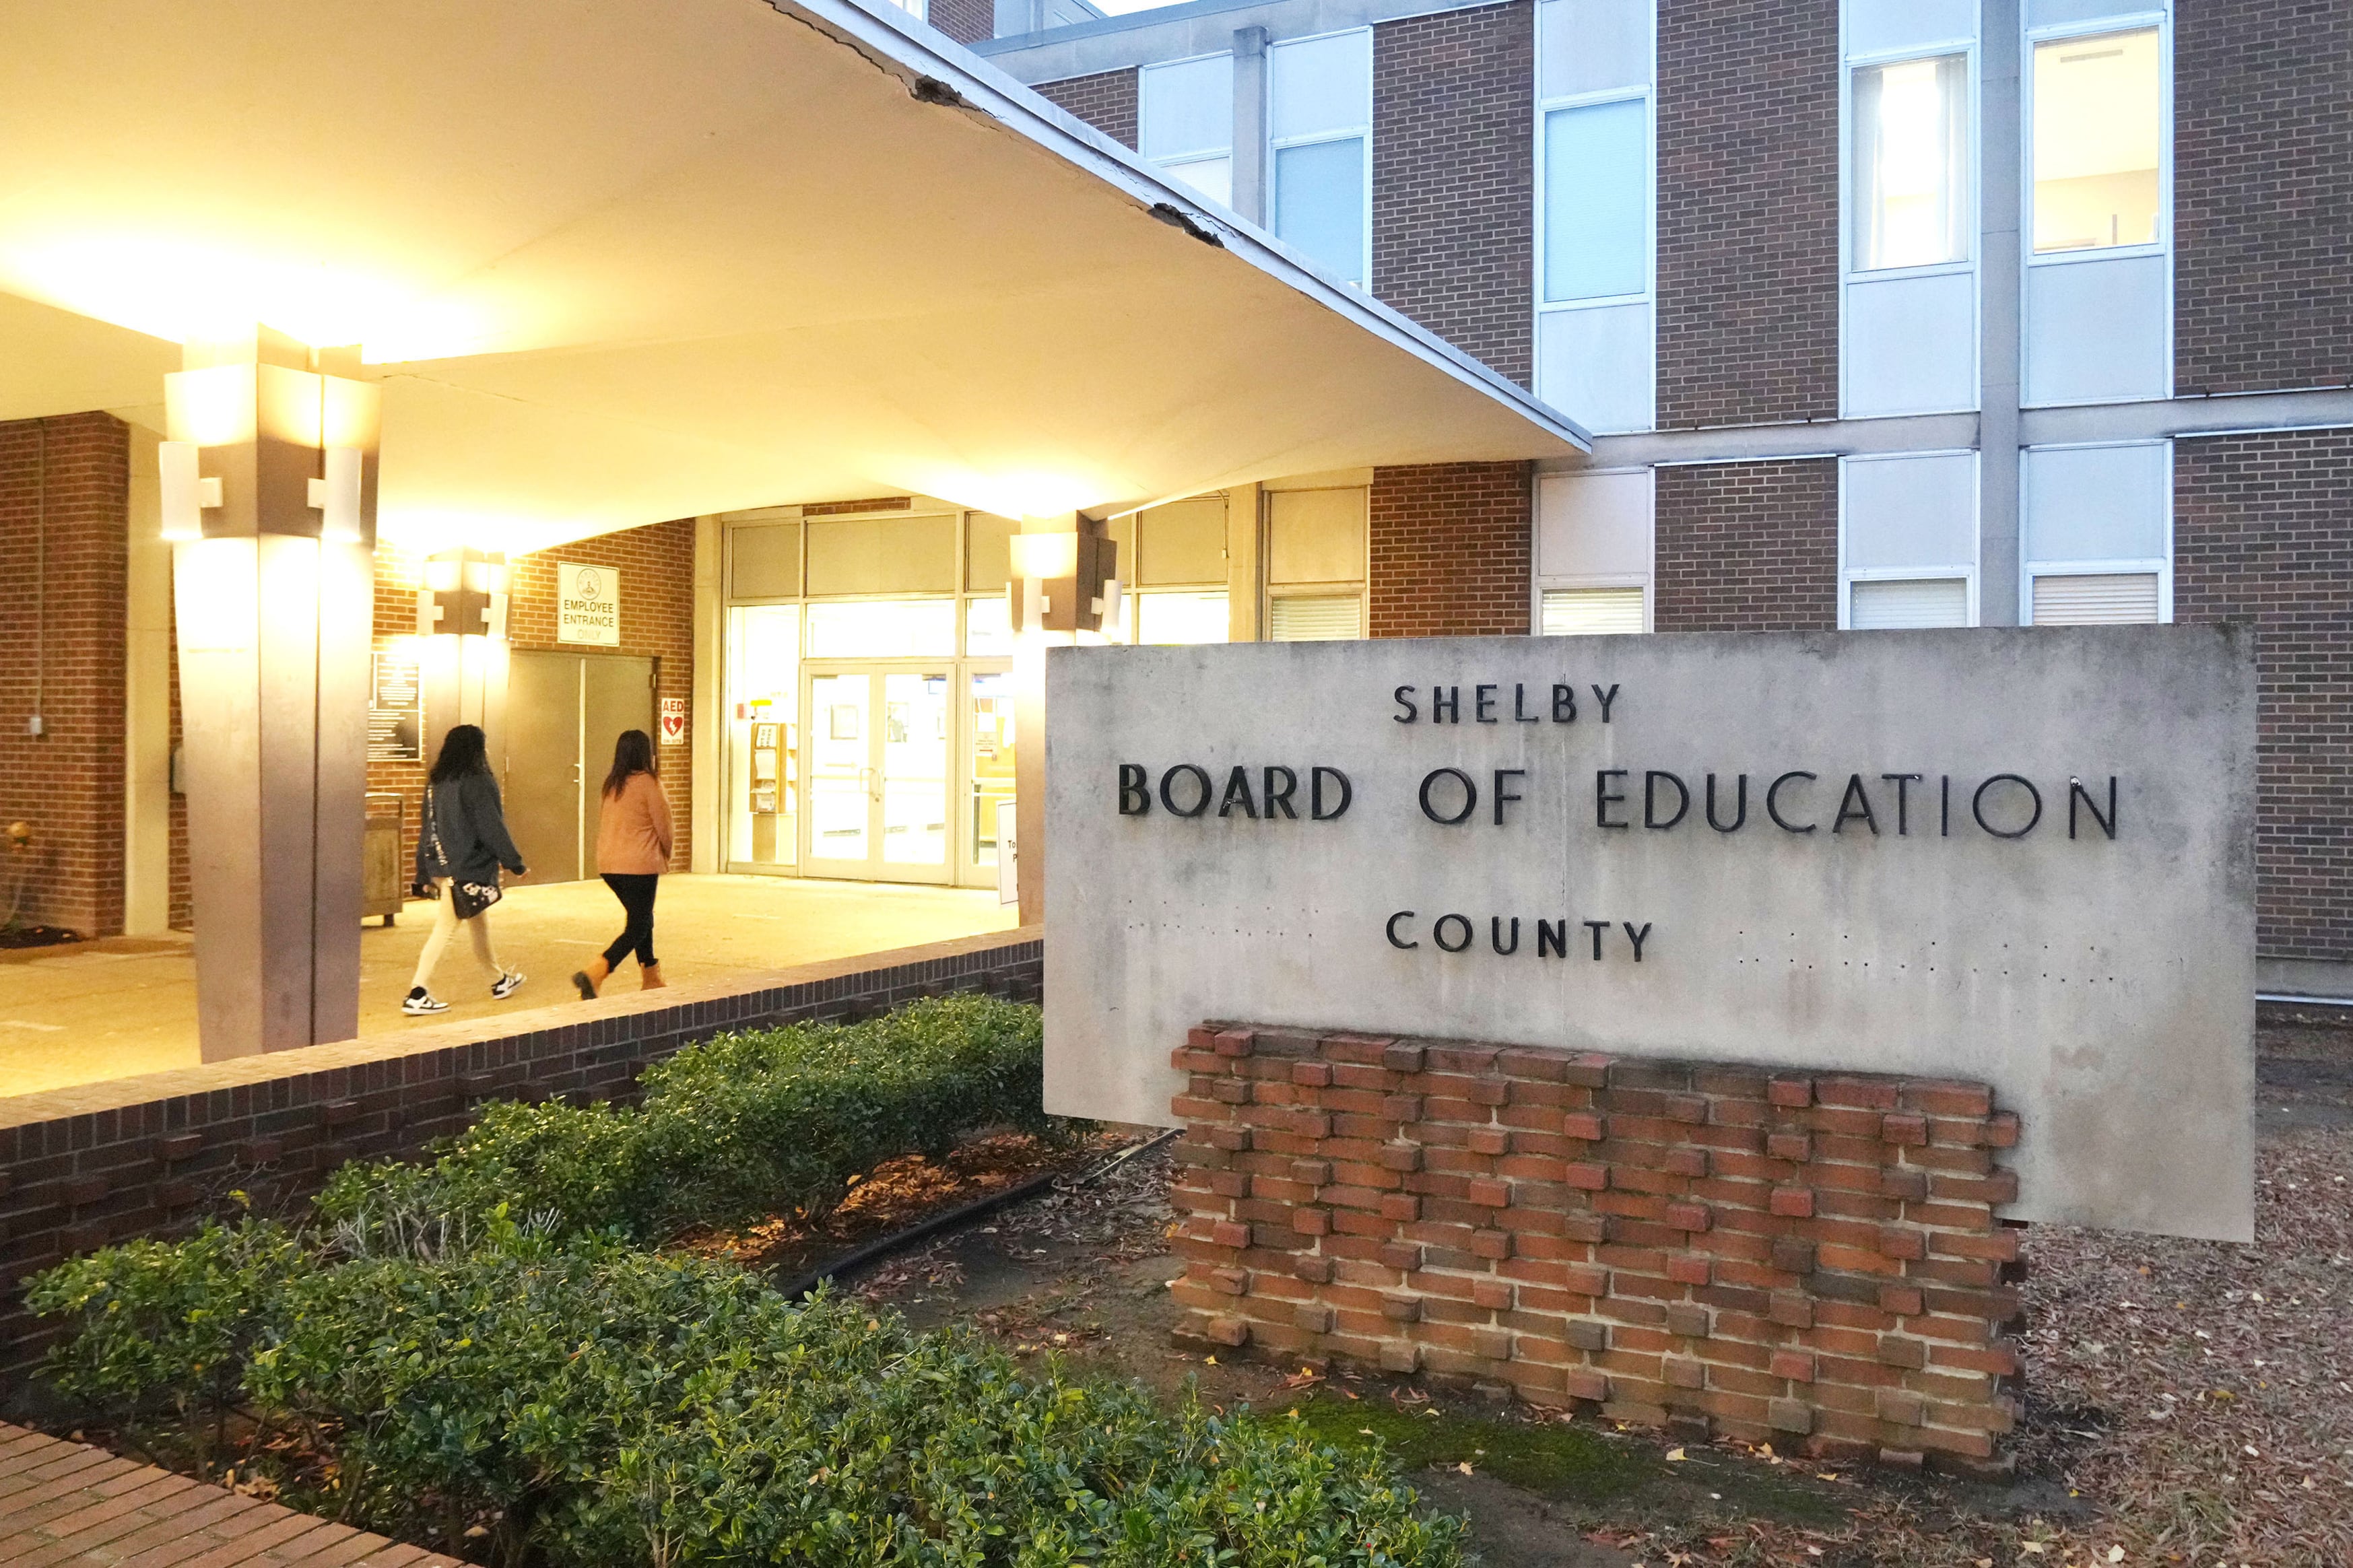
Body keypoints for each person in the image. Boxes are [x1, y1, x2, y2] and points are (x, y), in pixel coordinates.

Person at [403, 724, 527, 1015]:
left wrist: (423, 871)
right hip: (466, 868)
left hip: (442, 865)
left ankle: (498, 981)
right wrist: (514, 862)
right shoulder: (478, 781)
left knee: (478, 921)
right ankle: (417, 992)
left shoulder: (436, 783)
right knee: (445, 929)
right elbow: (491, 827)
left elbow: (427, 829)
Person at [574, 728, 674, 998]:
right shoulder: (649, 783)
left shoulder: (612, 785)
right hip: (639, 866)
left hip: (610, 867)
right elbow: (664, 825)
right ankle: (596, 971)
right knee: (639, 925)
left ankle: (651, 976)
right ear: (646, 753)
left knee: (642, 918)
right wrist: (667, 852)